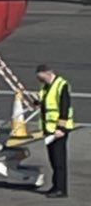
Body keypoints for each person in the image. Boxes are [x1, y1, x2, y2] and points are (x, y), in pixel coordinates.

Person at [36, 63, 74, 197]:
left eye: (41, 77)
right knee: (53, 159)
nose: (40, 81)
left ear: (48, 73)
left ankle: (61, 189)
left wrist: (61, 127)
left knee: (59, 160)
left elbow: (64, 107)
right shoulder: (46, 87)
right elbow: (46, 103)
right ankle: (55, 185)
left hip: (58, 130)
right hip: (49, 130)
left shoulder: (61, 85)